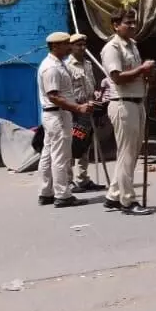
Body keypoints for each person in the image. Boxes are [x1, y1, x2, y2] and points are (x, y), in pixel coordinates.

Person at [100, 9, 154, 215]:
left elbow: (135, 74)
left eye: (133, 22)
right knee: (127, 154)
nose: (132, 26)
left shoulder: (133, 45)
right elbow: (118, 77)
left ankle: (114, 195)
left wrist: (147, 73)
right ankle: (128, 201)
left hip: (137, 101)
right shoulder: (112, 47)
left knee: (132, 152)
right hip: (123, 103)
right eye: (127, 22)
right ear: (115, 25)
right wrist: (142, 69)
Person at [37, 33, 89, 208]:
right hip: (58, 115)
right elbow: (54, 96)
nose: (69, 47)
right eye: (66, 44)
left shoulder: (57, 64)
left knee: (48, 154)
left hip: (55, 115)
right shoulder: (51, 68)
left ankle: (46, 192)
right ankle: (62, 195)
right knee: (60, 156)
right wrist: (77, 108)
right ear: (55, 46)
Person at [65, 33, 105, 194]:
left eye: (83, 45)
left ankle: (82, 179)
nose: (82, 48)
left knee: (85, 145)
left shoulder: (88, 64)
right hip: (74, 110)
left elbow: (91, 84)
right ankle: (68, 181)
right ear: (71, 47)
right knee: (71, 145)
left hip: (88, 109)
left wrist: (95, 94)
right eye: (78, 45)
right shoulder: (67, 66)